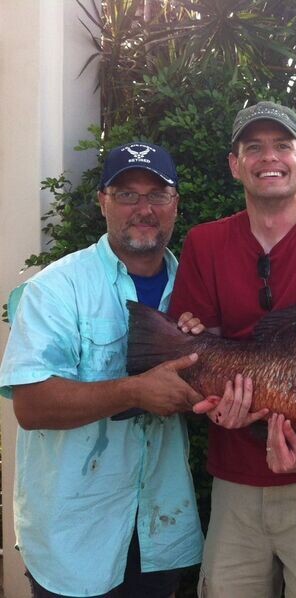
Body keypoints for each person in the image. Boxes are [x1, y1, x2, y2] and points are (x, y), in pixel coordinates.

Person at [167, 100, 296, 598]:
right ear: (235, 165)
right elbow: (191, 355)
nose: (269, 157)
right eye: (253, 147)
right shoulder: (205, 243)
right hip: (235, 479)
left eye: (283, 145)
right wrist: (216, 401)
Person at [0, 142, 207, 597]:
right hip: (76, 536)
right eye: (127, 195)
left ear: (176, 203)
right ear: (103, 202)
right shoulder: (54, 290)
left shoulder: (194, 288)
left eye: (157, 194)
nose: (144, 209)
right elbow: (31, 406)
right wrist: (135, 391)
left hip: (159, 527)